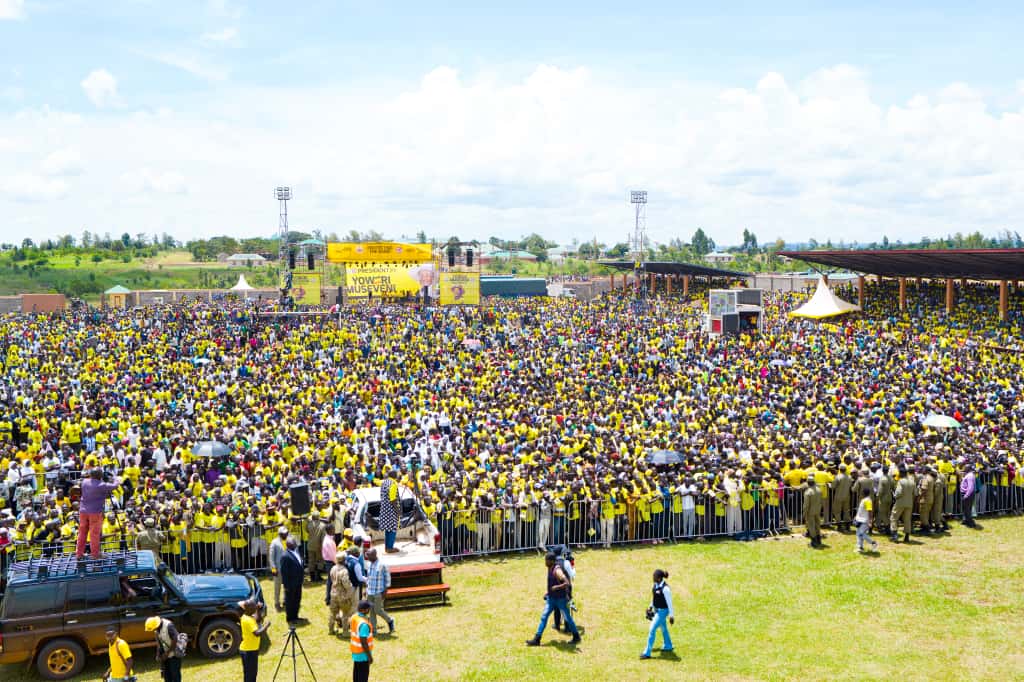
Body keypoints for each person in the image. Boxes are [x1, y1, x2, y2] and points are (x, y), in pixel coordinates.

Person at [525, 552, 581, 646]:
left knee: (568, 618)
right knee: (544, 617)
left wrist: (556, 587)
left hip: (560, 599)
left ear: (551, 561)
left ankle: (576, 636)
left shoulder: (557, 570)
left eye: (546, 560)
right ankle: (537, 639)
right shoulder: (549, 568)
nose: (545, 562)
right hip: (551, 598)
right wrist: (548, 592)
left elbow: (566, 582)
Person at [77, 468, 121, 560]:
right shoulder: (101, 485)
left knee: (82, 533)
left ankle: (79, 554)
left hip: (83, 511)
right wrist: (115, 477)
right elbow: (115, 485)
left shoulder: (84, 482)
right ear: (100, 476)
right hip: (95, 513)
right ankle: (95, 555)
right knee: (94, 534)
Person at [640, 568, 674, 659]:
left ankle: (647, 653)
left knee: (652, 629)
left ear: (659, 578)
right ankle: (668, 645)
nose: (653, 578)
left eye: (654, 576)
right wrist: (650, 606)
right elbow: (654, 598)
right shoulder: (655, 585)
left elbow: (670, 603)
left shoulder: (665, 589)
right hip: (657, 609)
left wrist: (671, 616)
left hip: (663, 611)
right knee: (663, 628)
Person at [364, 548, 395, 634]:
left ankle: (390, 620)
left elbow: (387, 579)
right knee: (371, 611)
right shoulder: (369, 564)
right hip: (370, 591)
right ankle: (373, 630)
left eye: (369, 556)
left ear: (374, 555)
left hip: (379, 592)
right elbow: (369, 578)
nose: (367, 557)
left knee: (377, 610)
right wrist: (366, 589)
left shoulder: (382, 565)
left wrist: (385, 591)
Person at [239, 599, 270, 682]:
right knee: (250, 674)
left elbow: (258, 620)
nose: (255, 607)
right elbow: (257, 633)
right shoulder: (247, 620)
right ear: (248, 608)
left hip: (251, 649)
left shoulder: (249, 616)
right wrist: (266, 626)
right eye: (253, 606)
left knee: (252, 673)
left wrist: (258, 610)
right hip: (248, 651)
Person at [145, 615, 182, 682]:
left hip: (174, 655)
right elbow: (159, 644)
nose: (153, 630)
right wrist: (158, 654)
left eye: (153, 629)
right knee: (167, 676)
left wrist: (167, 653)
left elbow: (175, 639)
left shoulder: (169, 626)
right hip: (166, 656)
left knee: (175, 676)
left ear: (156, 625)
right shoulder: (157, 630)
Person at [328, 552, 358, 636]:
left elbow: (331, 579)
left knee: (333, 613)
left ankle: (331, 629)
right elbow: (346, 584)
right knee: (345, 613)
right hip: (342, 595)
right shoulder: (344, 570)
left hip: (333, 593)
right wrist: (352, 588)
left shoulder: (333, 568)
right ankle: (345, 632)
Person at [280, 536, 305, 624]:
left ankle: (296, 616)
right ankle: (290, 618)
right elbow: (284, 572)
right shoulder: (285, 556)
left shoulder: (296, 552)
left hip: (298, 581)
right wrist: (286, 586)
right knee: (290, 601)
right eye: (293, 543)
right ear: (288, 545)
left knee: (297, 599)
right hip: (290, 583)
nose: (295, 544)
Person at [350, 600, 375, 682]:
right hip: (363, 654)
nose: (369, 609)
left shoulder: (354, 617)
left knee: (356, 674)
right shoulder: (363, 624)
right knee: (363, 677)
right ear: (364, 610)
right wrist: (369, 657)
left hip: (356, 653)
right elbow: (363, 642)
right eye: (368, 608)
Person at [890, 466, 915, 542]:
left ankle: (895, 535)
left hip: (900, 502)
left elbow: (898, 493)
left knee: (894, 517)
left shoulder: (901, 481)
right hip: (909, 503)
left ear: (901, 473)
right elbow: (915, 493)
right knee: (907, 520)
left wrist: (894, 495)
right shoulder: (912, 481)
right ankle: (907, 536)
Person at [379, 471, 401, 554]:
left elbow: (382, 496)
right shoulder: (393, 484)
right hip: (391, 510)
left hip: (384, 509)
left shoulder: (384, 482)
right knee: (392, 529)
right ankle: (390, 547)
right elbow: (393, 499)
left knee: (387, 530)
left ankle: (387, 547)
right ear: (394, 475)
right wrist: (398, 511)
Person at [853, 487, 878, 554]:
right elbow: (861, 510)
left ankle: (873, 543)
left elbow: (870, 511)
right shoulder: (864, 500)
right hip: (860, 519)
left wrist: (870, 521)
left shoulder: (867, 501)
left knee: (861, 534)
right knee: (858, 534)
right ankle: (860, 547)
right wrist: (856, 517)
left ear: (863, 493)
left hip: (865, 520)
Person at [269, 526, 289, 610]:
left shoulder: (289, 540)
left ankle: (285, 601)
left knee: (287, 586)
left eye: (286, 533)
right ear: (280, 534)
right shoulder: (274, 542)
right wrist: (273, 569)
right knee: (277, 587)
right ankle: (277, 603)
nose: (286, 535)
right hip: (278, 568)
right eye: (284, 534)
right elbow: (271, 557)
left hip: (288, 568)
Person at [803, 477, 823, 548]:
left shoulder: (808, 492)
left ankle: (814, 542)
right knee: (817, 525)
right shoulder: (819, 490)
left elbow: (806, 505)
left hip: (810, 511)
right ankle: (819, 540)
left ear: (808, 483)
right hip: (818, 510)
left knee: (811, 526)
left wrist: (804, 514)